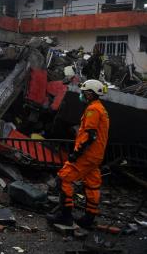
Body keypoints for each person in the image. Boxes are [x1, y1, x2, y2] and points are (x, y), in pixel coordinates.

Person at [47, 79, 110, 228]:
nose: (82, 95)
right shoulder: (102, 109)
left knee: (64, 178)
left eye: (83, 92)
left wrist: (77, 153)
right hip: (96, 156)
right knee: (92, 185)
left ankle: (65, 216)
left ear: (90, 93)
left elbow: (90, 135)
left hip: (86, 155)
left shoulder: (93, 110)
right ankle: (88, 219)